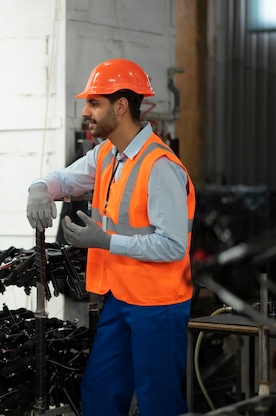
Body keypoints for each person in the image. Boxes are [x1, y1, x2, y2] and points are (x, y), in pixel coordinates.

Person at [26, 58, 195, 416]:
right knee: (100, 390)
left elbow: (173, 245)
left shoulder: (160, 167)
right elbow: (66, 180)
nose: (86, 111)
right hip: (121, 298)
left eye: (94, 103)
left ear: (120, 106)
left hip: (158, 305)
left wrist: (105, 242)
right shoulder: (108, 155)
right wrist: (39, 188)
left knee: (157, 403)